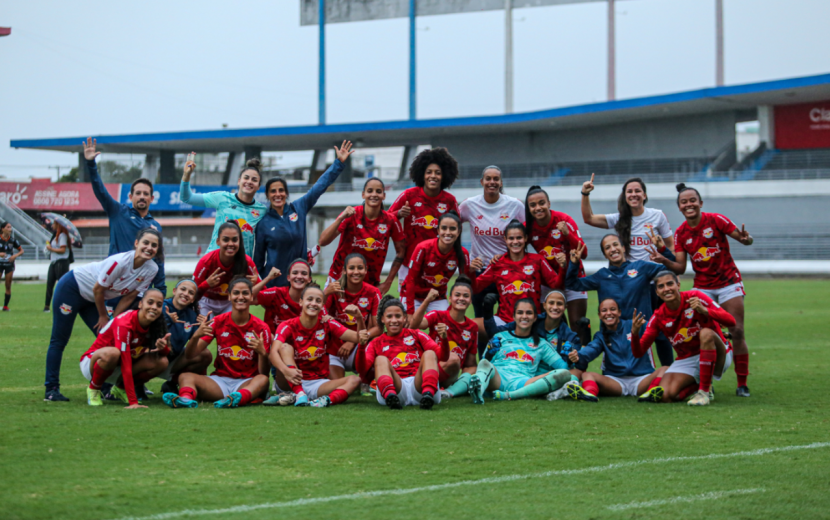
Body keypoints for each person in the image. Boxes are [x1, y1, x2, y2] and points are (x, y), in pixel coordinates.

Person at [658, 183, 753, 397]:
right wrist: (664, 258)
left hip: (729, 282)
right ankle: (705, 384)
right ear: (679, 207)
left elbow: (743, 238)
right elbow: (680, 267)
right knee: (702, 334)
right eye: (684, 202)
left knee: (736, 330)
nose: (689, 204)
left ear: (700, 203)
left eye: (693, 200)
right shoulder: (681, 233)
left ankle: (742, 383)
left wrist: (748, 239)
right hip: (703, 288)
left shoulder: (716, 220)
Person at [43, 228, 162, 402]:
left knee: (109, 338)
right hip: (72, 288)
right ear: (136, 244)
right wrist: (103, 316)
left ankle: (105, 387)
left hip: (94, 298)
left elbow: (129, 296)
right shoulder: (119, 262)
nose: (149, 247)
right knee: (59, 339)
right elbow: (98, 289)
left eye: (154, 245)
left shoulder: (152, 268)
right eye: (145, 243)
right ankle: (51, 389)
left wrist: (115, 320)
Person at [580, 174, 675, 365]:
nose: (634, 194)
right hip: (629, 285)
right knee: (622, 329)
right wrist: (585, 194)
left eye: (637, 191)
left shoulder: (657, 215)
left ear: (645, 195)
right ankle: (621, 370)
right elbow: (588, 218)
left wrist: (663, 260)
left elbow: (671, 247)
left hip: (654, 284)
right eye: (629, 191)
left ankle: (668, 371)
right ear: (624, 196)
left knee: (661, 332)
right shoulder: (619, 219)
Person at [255, 141, 354, 288]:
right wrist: (260, 285)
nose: (277, 194)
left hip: (299, 283)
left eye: (281, 190)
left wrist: (338, 163)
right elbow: (258, 259)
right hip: (275, 286)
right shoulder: (263, 223)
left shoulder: (298, 208)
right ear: (268, 195)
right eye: (273, 191)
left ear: (286, 193)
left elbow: (319, 187)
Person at [565, 236, 676, 366]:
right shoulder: (601, 276)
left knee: (659, 345)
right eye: (607, 248)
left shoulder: (641, 267)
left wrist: (663, 249)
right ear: (605, 254)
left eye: (615, 245)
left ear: (623, 248)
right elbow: (572, 284)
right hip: (613, 335)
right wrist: (574, 264)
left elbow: (672, 267)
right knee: (615, 373)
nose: (612, 249)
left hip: (641, 332)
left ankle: (670, 373)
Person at [163, 277, 272, 409]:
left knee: (263, 381)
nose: (240, 297)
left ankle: (237, 398)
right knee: (185, 376)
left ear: (251, 297)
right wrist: (196, 336)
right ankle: (185, 400)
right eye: (236, 293)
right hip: (220, 381)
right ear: (229, 297)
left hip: (246, 382)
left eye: (245, 293)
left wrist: (262, 353)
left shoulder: (261, 327)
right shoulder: (218, 321)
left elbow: (264, 373)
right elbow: (190, 355)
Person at [631, 271, 736, 406]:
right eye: (661, 286)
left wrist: (705, 310)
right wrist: (634, 334)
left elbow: (731, 321)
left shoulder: (695, 297)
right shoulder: (658, 317)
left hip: (718, 353)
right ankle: (697, 386)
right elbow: (638, 352)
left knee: (705, 333)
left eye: (670, 284)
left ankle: (704, 392)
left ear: (678, 285)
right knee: (666, 395)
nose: (667, 289)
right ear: (657, 292)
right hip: (688, 359)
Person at [84, 138, 166, 295]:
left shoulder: (156, 226)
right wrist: (91, 164)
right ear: (130, 196)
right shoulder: (118, 212)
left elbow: (159, 259)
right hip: (115, 284)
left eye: (146, 194)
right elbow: (100, 191)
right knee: (110, 320)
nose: (142, 196)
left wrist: (161, 289)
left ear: (152, 198)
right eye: (138, 193)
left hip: (138, 289)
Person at [271, 284, 368, 408]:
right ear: (301, 302)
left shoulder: (327, 323)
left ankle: (323, 401)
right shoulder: (287, 325)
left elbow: (359, 338)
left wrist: (359, 317)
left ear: (322, 305)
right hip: (290, 380)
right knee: (284, 347)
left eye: (318, 301)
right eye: (309, 299)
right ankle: (298, 393)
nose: (313, 303)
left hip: (317, 383)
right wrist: (286, 371)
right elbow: (273, 352)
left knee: (355, 380)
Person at [457, 166, 525, 330]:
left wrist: (513, 259)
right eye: (488, 178)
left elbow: (525, 233)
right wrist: (461, 256)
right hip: (479, 270)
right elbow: (452, 224)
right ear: (482, 182)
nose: (492, 182)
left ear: (501, 182)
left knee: (509, 318)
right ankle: (483, 355)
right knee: (480, 320)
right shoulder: (469, 205)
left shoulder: (514, 205)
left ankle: (505, 353)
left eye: (496, 179)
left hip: (505, 270)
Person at [468, 298, 572, 403]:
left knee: (564, 374)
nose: (524, 316)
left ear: (535, 317)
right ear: (514, 316)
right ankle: (478, 391)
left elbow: (563, 368)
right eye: (520, 312)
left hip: (523, 382)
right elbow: (484, 364)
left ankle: (510, 395)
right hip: (498, 379)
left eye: (529, 313)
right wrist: (490, 354)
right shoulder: (500, 336)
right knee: (484, 363)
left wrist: (569, 357)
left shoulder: (542, 344)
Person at [80, 289, 171, 408]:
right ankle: (94, 389)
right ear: (140, 304)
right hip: (93, 363)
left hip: (118, 366)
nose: (154, 307)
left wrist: (162, 348)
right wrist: (133, 402)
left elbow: (165, 353)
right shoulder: (125, 323)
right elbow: (125, 361)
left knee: (162, 362)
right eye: (150, 302)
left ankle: (120, 388)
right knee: (113, 353)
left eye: (159, 305)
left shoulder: (155, 324)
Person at [564, 298, 667, 403]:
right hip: (616, 382)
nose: (608, 313)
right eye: (604, 310)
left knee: (665, 369)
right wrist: (578, 356)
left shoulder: (635, 324)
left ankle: (649, 393)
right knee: (587, 375)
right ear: (599, 315)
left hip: (642, 379)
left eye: (612, 309)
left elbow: (657, 329)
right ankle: (589, 394)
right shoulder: (600, 336)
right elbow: (591, 350)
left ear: (619, 312)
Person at [389, 147, 459, 292]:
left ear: (444, 175)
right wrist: (399, 213)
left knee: (435, 307)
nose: (433, 176)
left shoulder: (449, 200)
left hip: (436, 264)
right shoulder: (409, 195)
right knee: (407, 309)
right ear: (422, 174)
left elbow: (457, 228)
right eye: (429, 172)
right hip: (409, 263)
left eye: (438, 173)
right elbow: (386, 219)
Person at [320, 177, 405, 294]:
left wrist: (388, 282)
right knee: (328, 313)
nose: (374, 195)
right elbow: (323, 241)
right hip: (339, 280)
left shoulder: (391, 220)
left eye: (378, 191)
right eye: (370, 191)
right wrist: (340, 218)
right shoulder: (351, 214)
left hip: (369, 285)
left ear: (384, 196)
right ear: (363, 194)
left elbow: (401, 251)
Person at [361, 296, 448, 409]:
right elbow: (362, 370)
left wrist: (444, 339)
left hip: (418, 387)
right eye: (389, 316)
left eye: (398, 316)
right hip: (395, 387)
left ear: (404, 318)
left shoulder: (416, 334)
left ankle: (428, 394)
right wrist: (361, 346)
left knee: (430, 353)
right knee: (380, 359)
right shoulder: (375, 343)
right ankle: (391, 397)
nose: (394, 320)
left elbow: (443, 357)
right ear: (382, 319)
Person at [525, 185, 589, 337]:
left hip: (573, 278)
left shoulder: (564, 220)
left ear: (549, 203)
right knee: (552, 324)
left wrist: (567, 234)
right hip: (549, 281)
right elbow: (515, 247)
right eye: (532, 205)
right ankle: (563, 355)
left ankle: (581, 357)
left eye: (541, 203)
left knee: (577, 324)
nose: (538, 208)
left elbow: (584, 253)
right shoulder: (528, 227)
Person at [483, 289, 582, 387]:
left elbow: (574, 364)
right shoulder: (530, 320)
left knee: (574, 374)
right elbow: (496, 334)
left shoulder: (570, 336)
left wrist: (572, 359)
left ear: (565, 307)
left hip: (551, 373)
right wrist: (488, 313)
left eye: (559, 304)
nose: (555, 307)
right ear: (544, 305)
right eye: (551, 303)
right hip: (528, 372)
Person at [472, 219, 561, 326]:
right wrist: (470, 271)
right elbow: (476, 288)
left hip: (531, 321)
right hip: (503, 321)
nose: (515, 242)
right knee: (469, 326)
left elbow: (556, 285)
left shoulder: (538, 260)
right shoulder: (497, 263)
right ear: (505, 239)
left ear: (526, 238)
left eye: (519, 238)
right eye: (511, 238)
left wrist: (563, 267)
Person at [180, 153, 267, 258]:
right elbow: (187, 198)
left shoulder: (262, 211)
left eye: (254, 180)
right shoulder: (222, 198)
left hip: (241, 268)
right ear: (239, 181)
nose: (249, 182)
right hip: (214, 264)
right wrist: (186, 175)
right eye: (246, 178)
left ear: (258, 186)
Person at [402, 211, 483, 318]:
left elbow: (466, 284)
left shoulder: (463, 253)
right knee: (410, 328)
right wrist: (410, 312)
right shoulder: (423, 248)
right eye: (444, 228)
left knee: (446, 326)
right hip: (414, 297)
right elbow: (410, 280)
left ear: (459, 232)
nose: (448, 232)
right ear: (438, 230)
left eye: (452, 229)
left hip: (438, 297)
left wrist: (471, 271)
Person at [409, 278, 479, 399]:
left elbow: (471, 364)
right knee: (452, 358)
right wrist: (427, 301)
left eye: (466, 296)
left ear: (470, 301)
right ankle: (431, 386)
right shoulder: (437, 315)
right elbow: (413, 326)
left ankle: (450, 390)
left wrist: (465, 377)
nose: (461, 298)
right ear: (450, 298)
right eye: (457, 295)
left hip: (451, 375)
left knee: (460, 363)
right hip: (427, 370)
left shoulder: (473, 327)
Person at [323, 253, 382, 379]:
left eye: (360, 268)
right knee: (338, 387)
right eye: (351, 268)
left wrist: (353, 341)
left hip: (360, 346)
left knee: (378, 341)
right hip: (335, 348)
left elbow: (378, 328)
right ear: (344, 270)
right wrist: (325, 293)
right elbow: (317, 314)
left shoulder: (373, 292)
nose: (356, 272)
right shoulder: (334, 290)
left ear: (366, 270)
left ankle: (366, 380)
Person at [158, 280, 214, 395]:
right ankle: (136, 385)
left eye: (191, 292)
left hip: (173, 359)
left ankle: (172, 383)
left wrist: (202, 328)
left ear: (193, 299)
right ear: (174, 291)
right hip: (153, 357)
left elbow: (195, 346)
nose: (186, 293)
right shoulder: (159, 306)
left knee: (205, 354)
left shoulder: (192, 315)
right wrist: (167, 320)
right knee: (158, 358)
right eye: (183, 289)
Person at [193, 222, 260, 316]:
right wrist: (206, 284)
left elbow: (262, 295)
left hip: (230, 302)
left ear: (239, 242)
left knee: (231, 327)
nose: (230, 244)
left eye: (235, 240)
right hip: (206, 302)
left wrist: (253, 286)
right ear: (218, 241)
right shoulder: (206, 261)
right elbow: (192, 293)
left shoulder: (246, 262)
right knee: (205, 328)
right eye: (226, 240)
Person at [43, 220, 72, 312]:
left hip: (61, 262)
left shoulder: (62, 235)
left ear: (58, 225)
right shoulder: (55, 235)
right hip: (54, 261)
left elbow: (62, 250)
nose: (52, 225)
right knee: (50, 283)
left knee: (61, 285)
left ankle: (64, 305)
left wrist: (51, 248)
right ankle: (46, 306)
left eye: (54, 224)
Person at [0, 221, 23, 311]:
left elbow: (21, 251)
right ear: (2, 229)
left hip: (9, 265)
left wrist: (14, 256)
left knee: (8, 285)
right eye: (8, 227)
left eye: (10, 227)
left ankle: (5, 306)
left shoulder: (13, 240)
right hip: (0, 264)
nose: (10, 229)